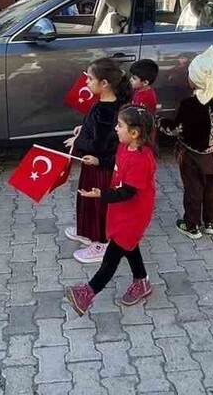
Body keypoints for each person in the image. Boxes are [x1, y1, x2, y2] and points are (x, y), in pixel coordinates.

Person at [64, 106, 158, 316]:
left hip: (133, 214)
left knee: (112, 257)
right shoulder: (125, 147)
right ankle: (141, 281)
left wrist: (101, 195)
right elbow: (113, 162)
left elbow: (127, 192)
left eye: (120, 125)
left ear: (134, 133)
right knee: (130, 247)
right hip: (122, 210)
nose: (116, 129)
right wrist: (97, 161)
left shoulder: (141, 160)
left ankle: (87, 293)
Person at [159, 47, 213, 240]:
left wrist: (159, 122)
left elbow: (175, 129)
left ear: (195, 78)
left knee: (193, 191)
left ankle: (192, 225)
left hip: (192, 156)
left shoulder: (189, 105)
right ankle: (210, 222)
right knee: (212, 190)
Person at [63, 58, 126, 263]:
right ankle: (87, 230)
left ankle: (102, 242)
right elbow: (97, 130)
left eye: (90, 79)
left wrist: (79, 140)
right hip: (94, 165)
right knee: (87, 199)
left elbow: (101, 145)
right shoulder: (106, 103)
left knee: (98, 203)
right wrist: (83, 130)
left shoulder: (107, 110)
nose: (86, 82)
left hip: (100, 168)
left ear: (104, 83)